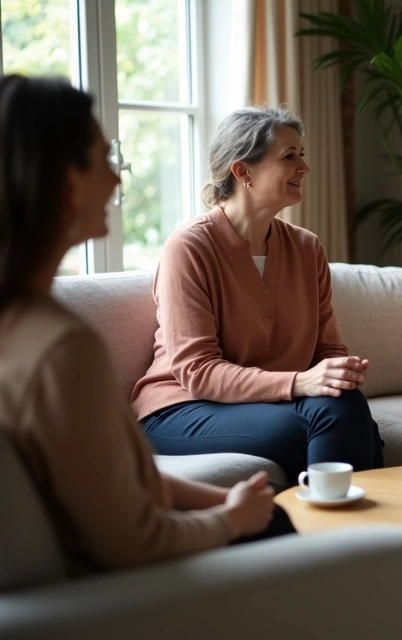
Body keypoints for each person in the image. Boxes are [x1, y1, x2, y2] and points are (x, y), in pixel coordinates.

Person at [0, 75, 288, 575]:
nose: (117, 180)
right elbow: (133, 542)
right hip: (126, 599)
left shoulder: (24, 323)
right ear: (67, 185)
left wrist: (223, 500)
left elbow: (121, 478)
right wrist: (231, 520)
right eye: (105, 161)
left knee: (278, 517)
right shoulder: (61, 348)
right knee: (287, 530)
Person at [131, 106, 382, 484]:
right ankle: (344, 539)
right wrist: (300, 383)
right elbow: (197, 371)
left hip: (269, 404)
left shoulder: (306, 248)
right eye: (289, 157)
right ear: (243, 171)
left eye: (302, 155)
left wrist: (337, 374)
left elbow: (327, 349)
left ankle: (343, 538)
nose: (305, 168)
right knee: (338, 419)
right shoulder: (189, 248)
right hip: (182, 408)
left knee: (345, 407)